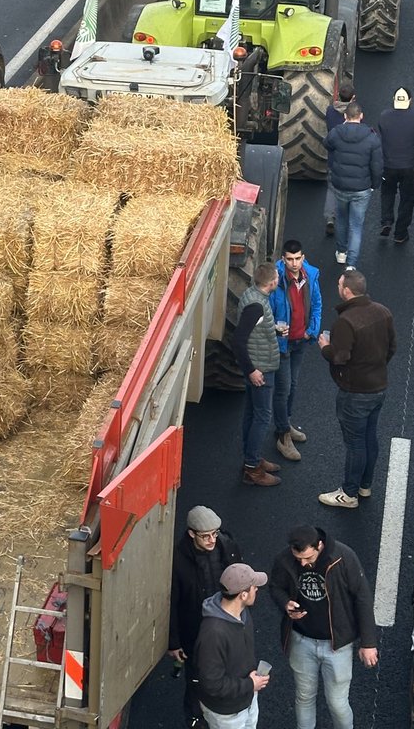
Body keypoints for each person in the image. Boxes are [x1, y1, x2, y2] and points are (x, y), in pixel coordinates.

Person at [270, 524, 377, 729]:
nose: (302, 563)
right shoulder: (285, 559)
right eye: (298, 558)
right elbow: (276, 586)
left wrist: (368, 643)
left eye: (308, 558)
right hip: (301, 640)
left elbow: (362, 598)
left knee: (337, 703)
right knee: (304, 697)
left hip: (337, 645)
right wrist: (285, 603)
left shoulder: (343, 557)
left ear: (319, 545)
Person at [317, 269, 395, 508]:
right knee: (370, 438)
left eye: (340, 285)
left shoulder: (345, 321)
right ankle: (365, 485)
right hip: (378, 388)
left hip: (355, 393)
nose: (338, 288)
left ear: (347, 291)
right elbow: (392, 348)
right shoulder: (383, 312)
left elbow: (340, 357)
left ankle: (348, 494)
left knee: (355, 444)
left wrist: (324, 347)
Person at [169, 507, 244, 729]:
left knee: (229, 670)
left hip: (227, 626)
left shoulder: (227, 545)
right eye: (206, 536)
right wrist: (174, 643)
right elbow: (171, 602)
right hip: (197, 632)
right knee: (196, 680)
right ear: (191, 534)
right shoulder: (177, 560)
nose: (212, 540)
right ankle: (195, 720)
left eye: (215, 533)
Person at [194, 563, 270, 729]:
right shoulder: (213, 634)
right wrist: (250, 684)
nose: (256, 589)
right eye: (253, 587)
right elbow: (212, 684)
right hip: (226, 713)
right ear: (243, 595)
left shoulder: (243, 613)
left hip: (247, 697)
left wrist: (251, 685)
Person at [269, 240, 322, 461]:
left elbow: (317, 303)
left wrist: (312, 330)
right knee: (283, 389)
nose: (294, 263)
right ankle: (282, 435)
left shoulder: (310, 276)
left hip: (301, 340)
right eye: (289, 259)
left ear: (303, 257)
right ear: (283, 259)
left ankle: (286, 423)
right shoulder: (277, 281)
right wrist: (276, 330)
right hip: (283, 344)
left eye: (297, 258)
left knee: (293, 385)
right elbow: (268, 312)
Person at [232, 262, 282, 487]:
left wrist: (274, 329)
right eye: (277, 277)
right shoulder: (257, 307)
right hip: (261, 370)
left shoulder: (252, 295)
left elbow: (253, 331)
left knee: (251, 414)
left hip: (257, 366)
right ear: (272, 282)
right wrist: (252, 371)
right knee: (262, 416)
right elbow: (239, 341)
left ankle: (251, 458)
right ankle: (252, 468)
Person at [324, 101, 382, 267]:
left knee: (342, 219)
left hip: (341, 186)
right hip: (362, 189)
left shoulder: (337, 132)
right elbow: (377, 165)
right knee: (356, 225)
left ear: (345, 116)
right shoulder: (372, 137)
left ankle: (341, 252)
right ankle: (351, 264)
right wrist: (374, 184)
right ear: (361, 116)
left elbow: (326, 144)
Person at [377, 86, 414, 243]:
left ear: (394, 100)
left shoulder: (384, 116)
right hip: (410, 167)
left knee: (387, 193)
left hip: (388, 165)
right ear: (410, 101)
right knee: (408, 199)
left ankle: (386, 221)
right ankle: (400, 233)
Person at [323, 82, 356, 235]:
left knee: (332, 188)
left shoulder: (330, 111)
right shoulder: (354, 114)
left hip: (334, 157)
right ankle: (346, 220)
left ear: (338, 96)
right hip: (350, 158)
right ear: (353, 98)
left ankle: (330, 217)